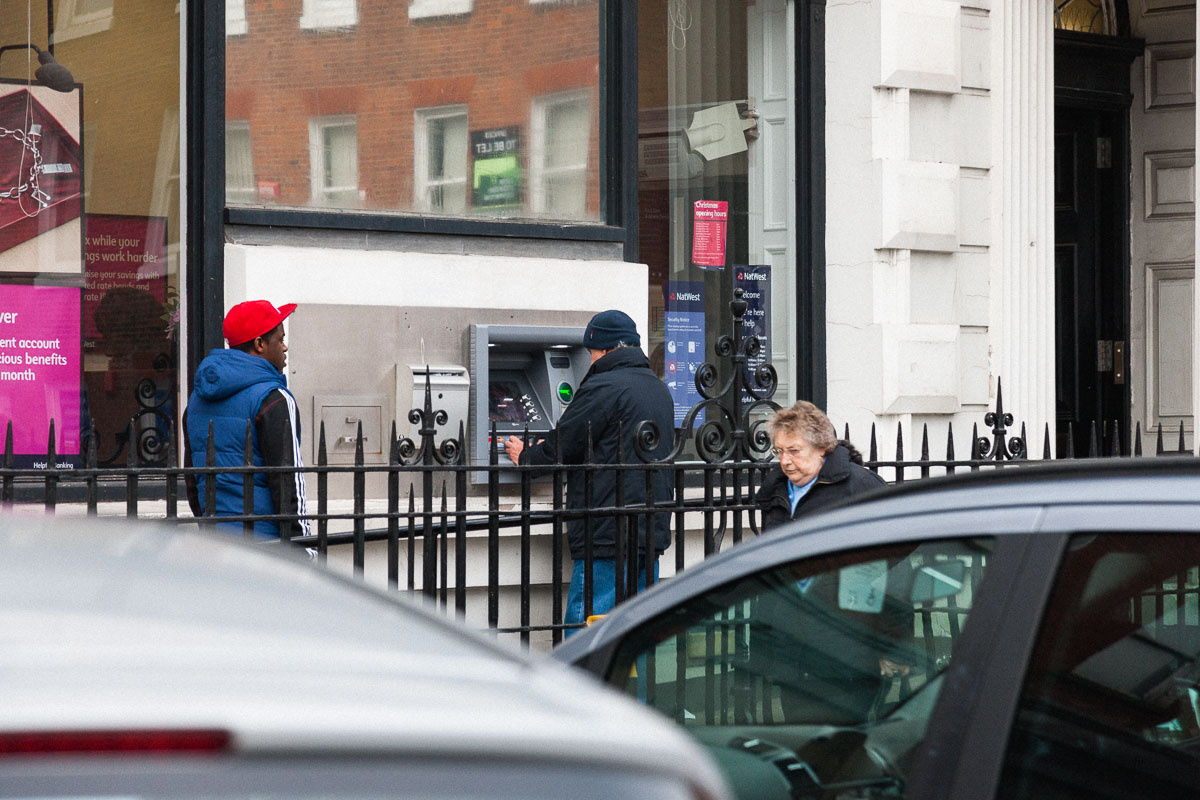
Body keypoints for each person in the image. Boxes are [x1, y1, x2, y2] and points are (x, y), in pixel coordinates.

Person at [504, 310, 673, 634]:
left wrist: (526, 456)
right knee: (632, 633)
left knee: (589, 632)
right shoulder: (657, 388)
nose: (590, 360)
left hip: (607, 531)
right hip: (650, 529)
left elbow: (565, 443)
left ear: (605, 349)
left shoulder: (604, 386)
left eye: (592, 352)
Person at [185, 300, 310, 541]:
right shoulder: (274, 398)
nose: (285, 347)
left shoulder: (196, 400)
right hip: (265, 544)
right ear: (260, 344)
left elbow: (192, 478)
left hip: (215, 542)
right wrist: (302, 548)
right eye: (280, 339)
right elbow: (288, 483)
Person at [755, 400, 886, 531]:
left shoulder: (861, 484)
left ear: (821, 448)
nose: (784, 461)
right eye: (779, 451)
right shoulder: (774, 486)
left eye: (793, 451)